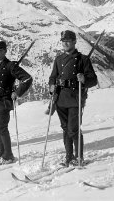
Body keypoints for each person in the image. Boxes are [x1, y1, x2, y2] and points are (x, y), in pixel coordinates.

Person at [47, 30, 98, 167]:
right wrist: (51, 85)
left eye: (68, 41)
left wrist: (84, 79)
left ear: (75, 42)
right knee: (65, 128)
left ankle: (79, 157)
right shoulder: (58, 59)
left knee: (73, 129)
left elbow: (93, 80)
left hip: (76, 98)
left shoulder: (83, 59)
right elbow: (53, 76)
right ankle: (68, 157)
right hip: (61, 98)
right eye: (63, 41)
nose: (65, 43)